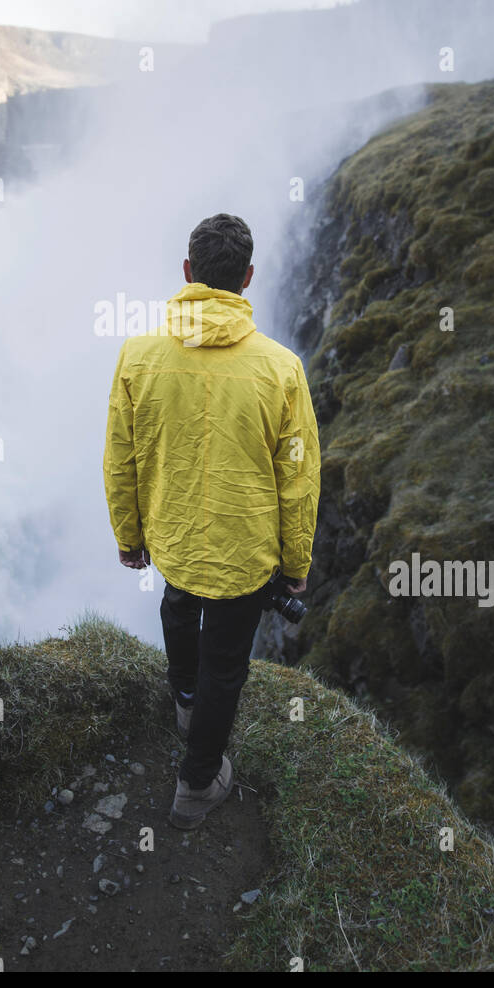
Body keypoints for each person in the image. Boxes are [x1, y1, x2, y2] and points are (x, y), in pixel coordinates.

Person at [103, 213, 321, 828]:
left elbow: (121, 454)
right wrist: (297, 562)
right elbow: (298, 476)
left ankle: (184, 697)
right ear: (248, 278)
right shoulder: (282, 369)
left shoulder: (137, 355)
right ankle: (197, 784)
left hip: (172, 536)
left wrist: (129, 534)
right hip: (247, 551)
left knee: (177, 601)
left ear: (187, 274)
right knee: (227, 661)